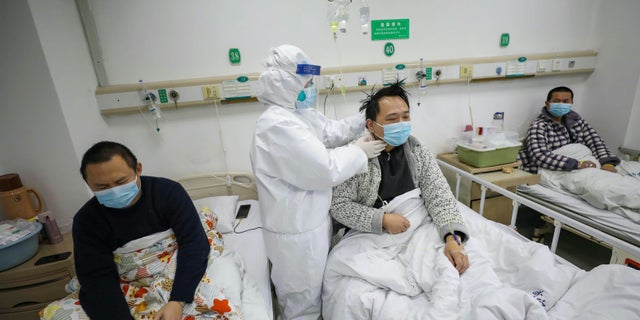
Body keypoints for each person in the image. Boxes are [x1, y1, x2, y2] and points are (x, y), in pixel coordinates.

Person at [249, 44, 386, 320]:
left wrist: (366, 119)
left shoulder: (299, 114)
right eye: (307, 83)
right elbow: (324, 169)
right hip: (296, 234)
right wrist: (360, 151)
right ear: (286, 85)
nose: (312, 88)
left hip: (312, 224)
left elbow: (332, 131)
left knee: (318, 297)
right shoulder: (276, 126)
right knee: (302, 307)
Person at [330, 81, 470, 274]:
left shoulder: (417, 152)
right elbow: (339, 206)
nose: (401, 124)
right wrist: (382, 220)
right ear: (371, 125)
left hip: (420, 226)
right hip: (372, 236)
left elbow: (439, 196)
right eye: (392, 119)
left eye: (405, 117)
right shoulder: (356, 157)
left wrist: (452, 238)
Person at [72, 141, 210, 320]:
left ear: (138, 169)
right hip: (126, 280)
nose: (114, 191)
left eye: (121, 181)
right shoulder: (86, 221)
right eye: (102, 187)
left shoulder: (168, 192)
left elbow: (194, 243)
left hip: (178, 268)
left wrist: (178, 300)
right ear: (89, 184)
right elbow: (97, 278)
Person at [519, 86, 620, 174]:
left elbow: (595, 141)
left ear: (571, 103)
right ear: (547, 104)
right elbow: (539, 156)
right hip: (561, 168)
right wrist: (576, 164)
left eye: (566, 101)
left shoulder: (576, 120)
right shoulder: (539, 126)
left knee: (613, 178)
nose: (561, 104)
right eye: (556, 101)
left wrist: (608, 164)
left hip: (586, 162)